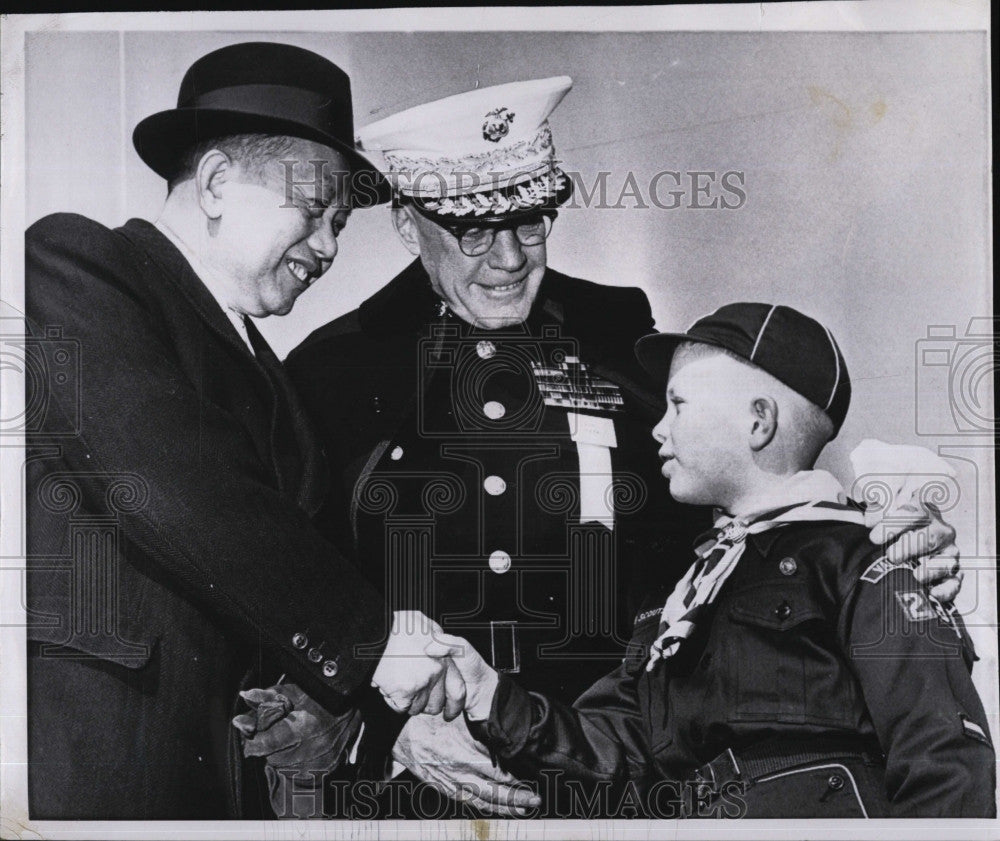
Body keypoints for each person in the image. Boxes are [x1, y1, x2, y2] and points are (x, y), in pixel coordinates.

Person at [280, 77, 965, 815]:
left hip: (611, 774)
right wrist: (387, 726)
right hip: (416, 781)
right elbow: (291, 584)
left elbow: (730, 509)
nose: (510, 257)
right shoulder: (336, 367)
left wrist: (873, 541)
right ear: (409, 227)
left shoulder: (617, 330)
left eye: (533, 222)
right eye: (474, 230)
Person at [24, 41, 454, 820]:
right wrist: (372, 642)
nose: (327, 246)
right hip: (97, 767)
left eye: (342, 224)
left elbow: (286, 565)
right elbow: (173, 481)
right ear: (218, 182)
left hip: (223, 793)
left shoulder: (274, 374)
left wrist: (325, 703)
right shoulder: (74, 265)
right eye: (314, 208)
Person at [438, 303, 995, 818]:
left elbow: (945, 765)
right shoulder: (682, 599)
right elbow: (609, 758)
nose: (657, 427)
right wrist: (489, 692)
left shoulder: (869, 555)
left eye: (678, 403)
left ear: (759, 421)